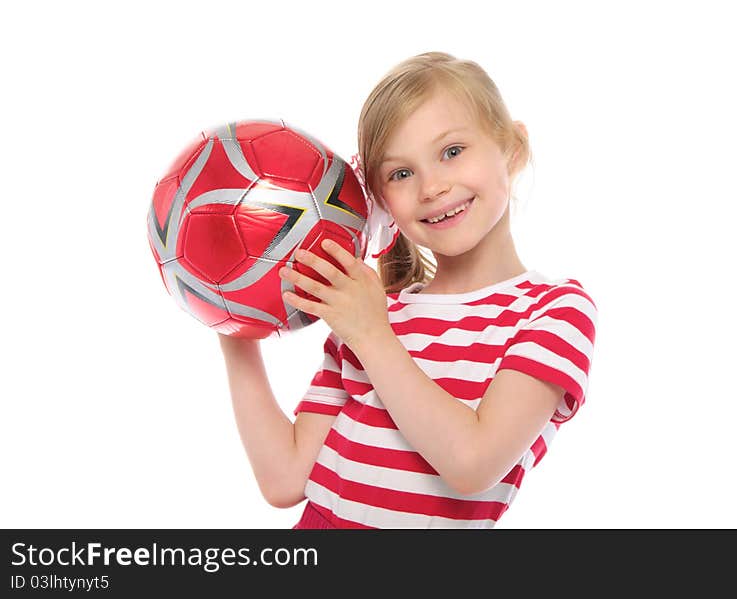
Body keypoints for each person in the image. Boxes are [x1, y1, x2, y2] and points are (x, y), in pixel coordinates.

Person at [218, 52, 597, 529]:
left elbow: (471, 464)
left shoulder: (554, 310)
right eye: (401, 173)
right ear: (381, 199)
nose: (432, 187)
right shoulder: (377, 311)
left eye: (452, 151)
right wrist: (232, 319)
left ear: (513, 149)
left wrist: (373, 335)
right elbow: (285, 481)